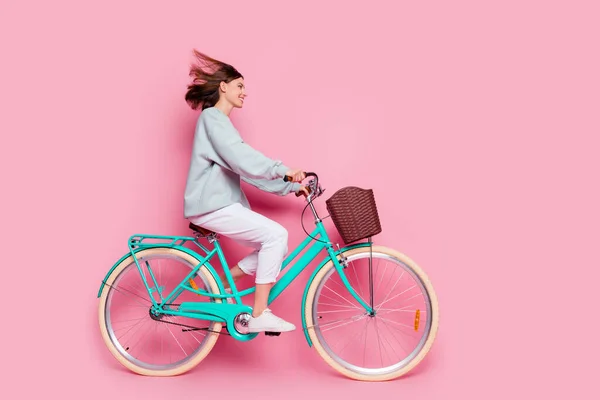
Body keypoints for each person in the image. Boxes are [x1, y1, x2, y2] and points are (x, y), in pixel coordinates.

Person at [183, 50, 307, 333]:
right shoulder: (212, 118)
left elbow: (245, 170)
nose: (245, 92)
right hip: (211, 206)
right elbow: (242, 158)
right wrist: (281, 168)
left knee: (278, 246)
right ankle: (260, 313)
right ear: (223, 86)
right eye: (240, 86)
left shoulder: (221, 124)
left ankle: (224, 284)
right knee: (276, 235)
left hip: (220, 205)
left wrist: (289, 186)